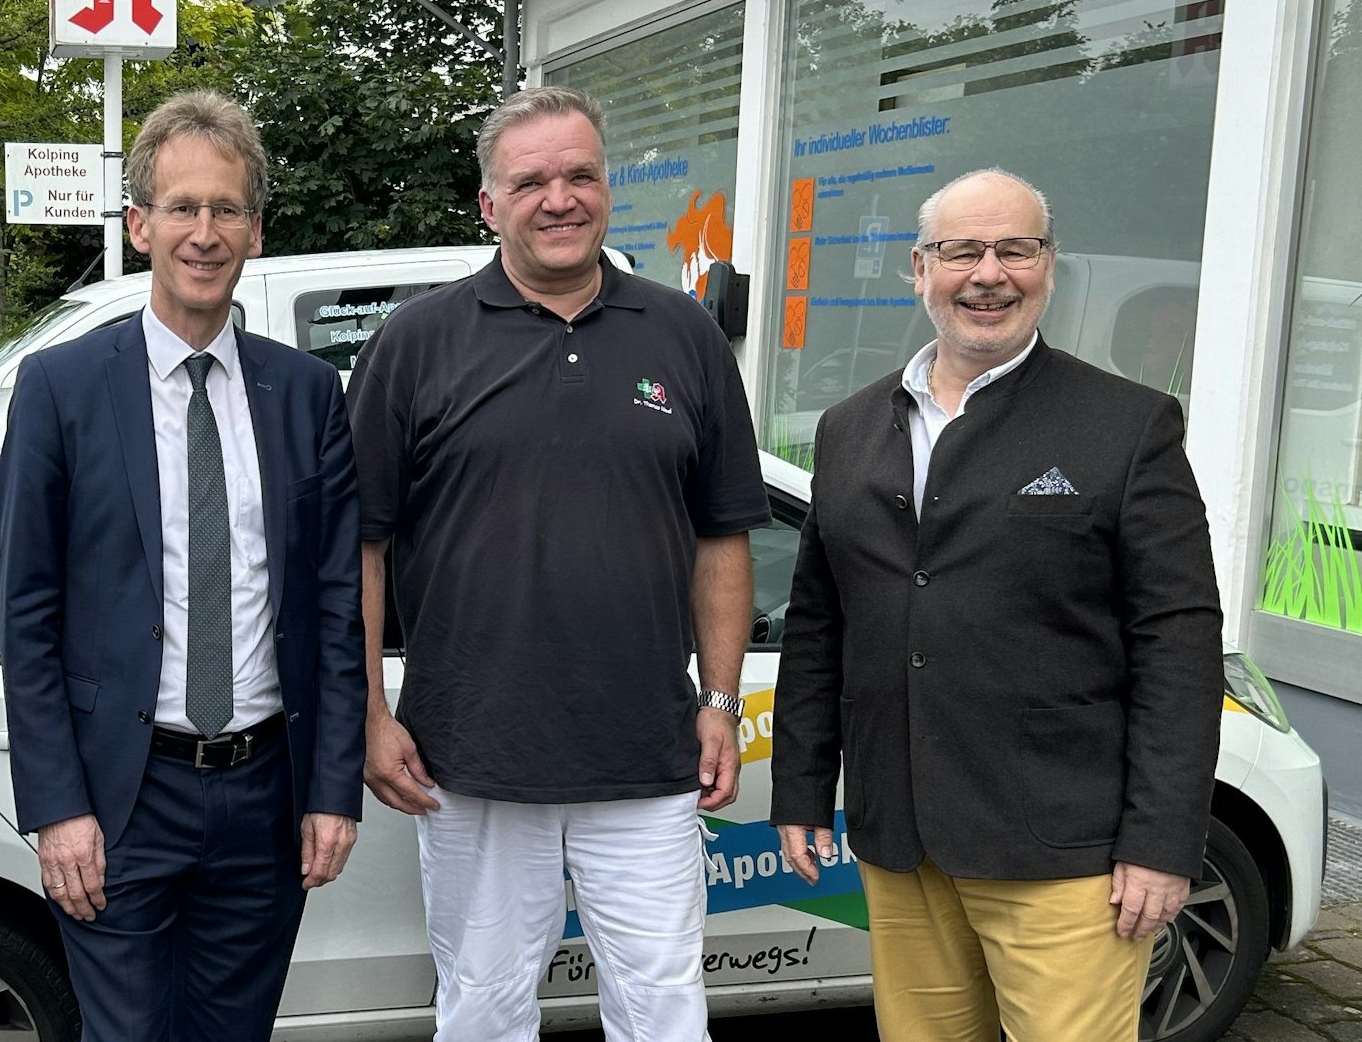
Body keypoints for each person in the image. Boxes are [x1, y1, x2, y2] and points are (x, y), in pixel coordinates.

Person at [345, 85, 770, 1041]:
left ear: (609, 189)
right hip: (471, 755)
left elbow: (724, 535)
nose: (560, 198)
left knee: (664, 1012)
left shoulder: (684, 336)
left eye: (580, 174)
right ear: (490, 205)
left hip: (646, 756)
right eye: (530, 181)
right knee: (485, 1013)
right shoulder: (417, 343)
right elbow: (360, 546)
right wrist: (369, 711)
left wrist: (720, 698)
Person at [770, 167, 1224, 1040]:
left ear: (1049, 266)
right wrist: (800, 786)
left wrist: (1162, 843)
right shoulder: (848, 428)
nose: (989, 273)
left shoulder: (1126, 426)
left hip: (1062, 852)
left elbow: (1179, 643)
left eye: (1015, 249)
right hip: (900, 842)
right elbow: (822, 620)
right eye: (962, 250)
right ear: (919, 267)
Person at [0, 89, 366, 1042]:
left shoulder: (308, 393)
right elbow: (27, 612)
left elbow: (332, 607)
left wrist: (332, 786)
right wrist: (58, 807)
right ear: (139, 223)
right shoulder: (61, 388)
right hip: (124, 796)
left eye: (227, 209)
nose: (205, 232)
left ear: (254, 229)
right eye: (183, 207)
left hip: (265, 795)